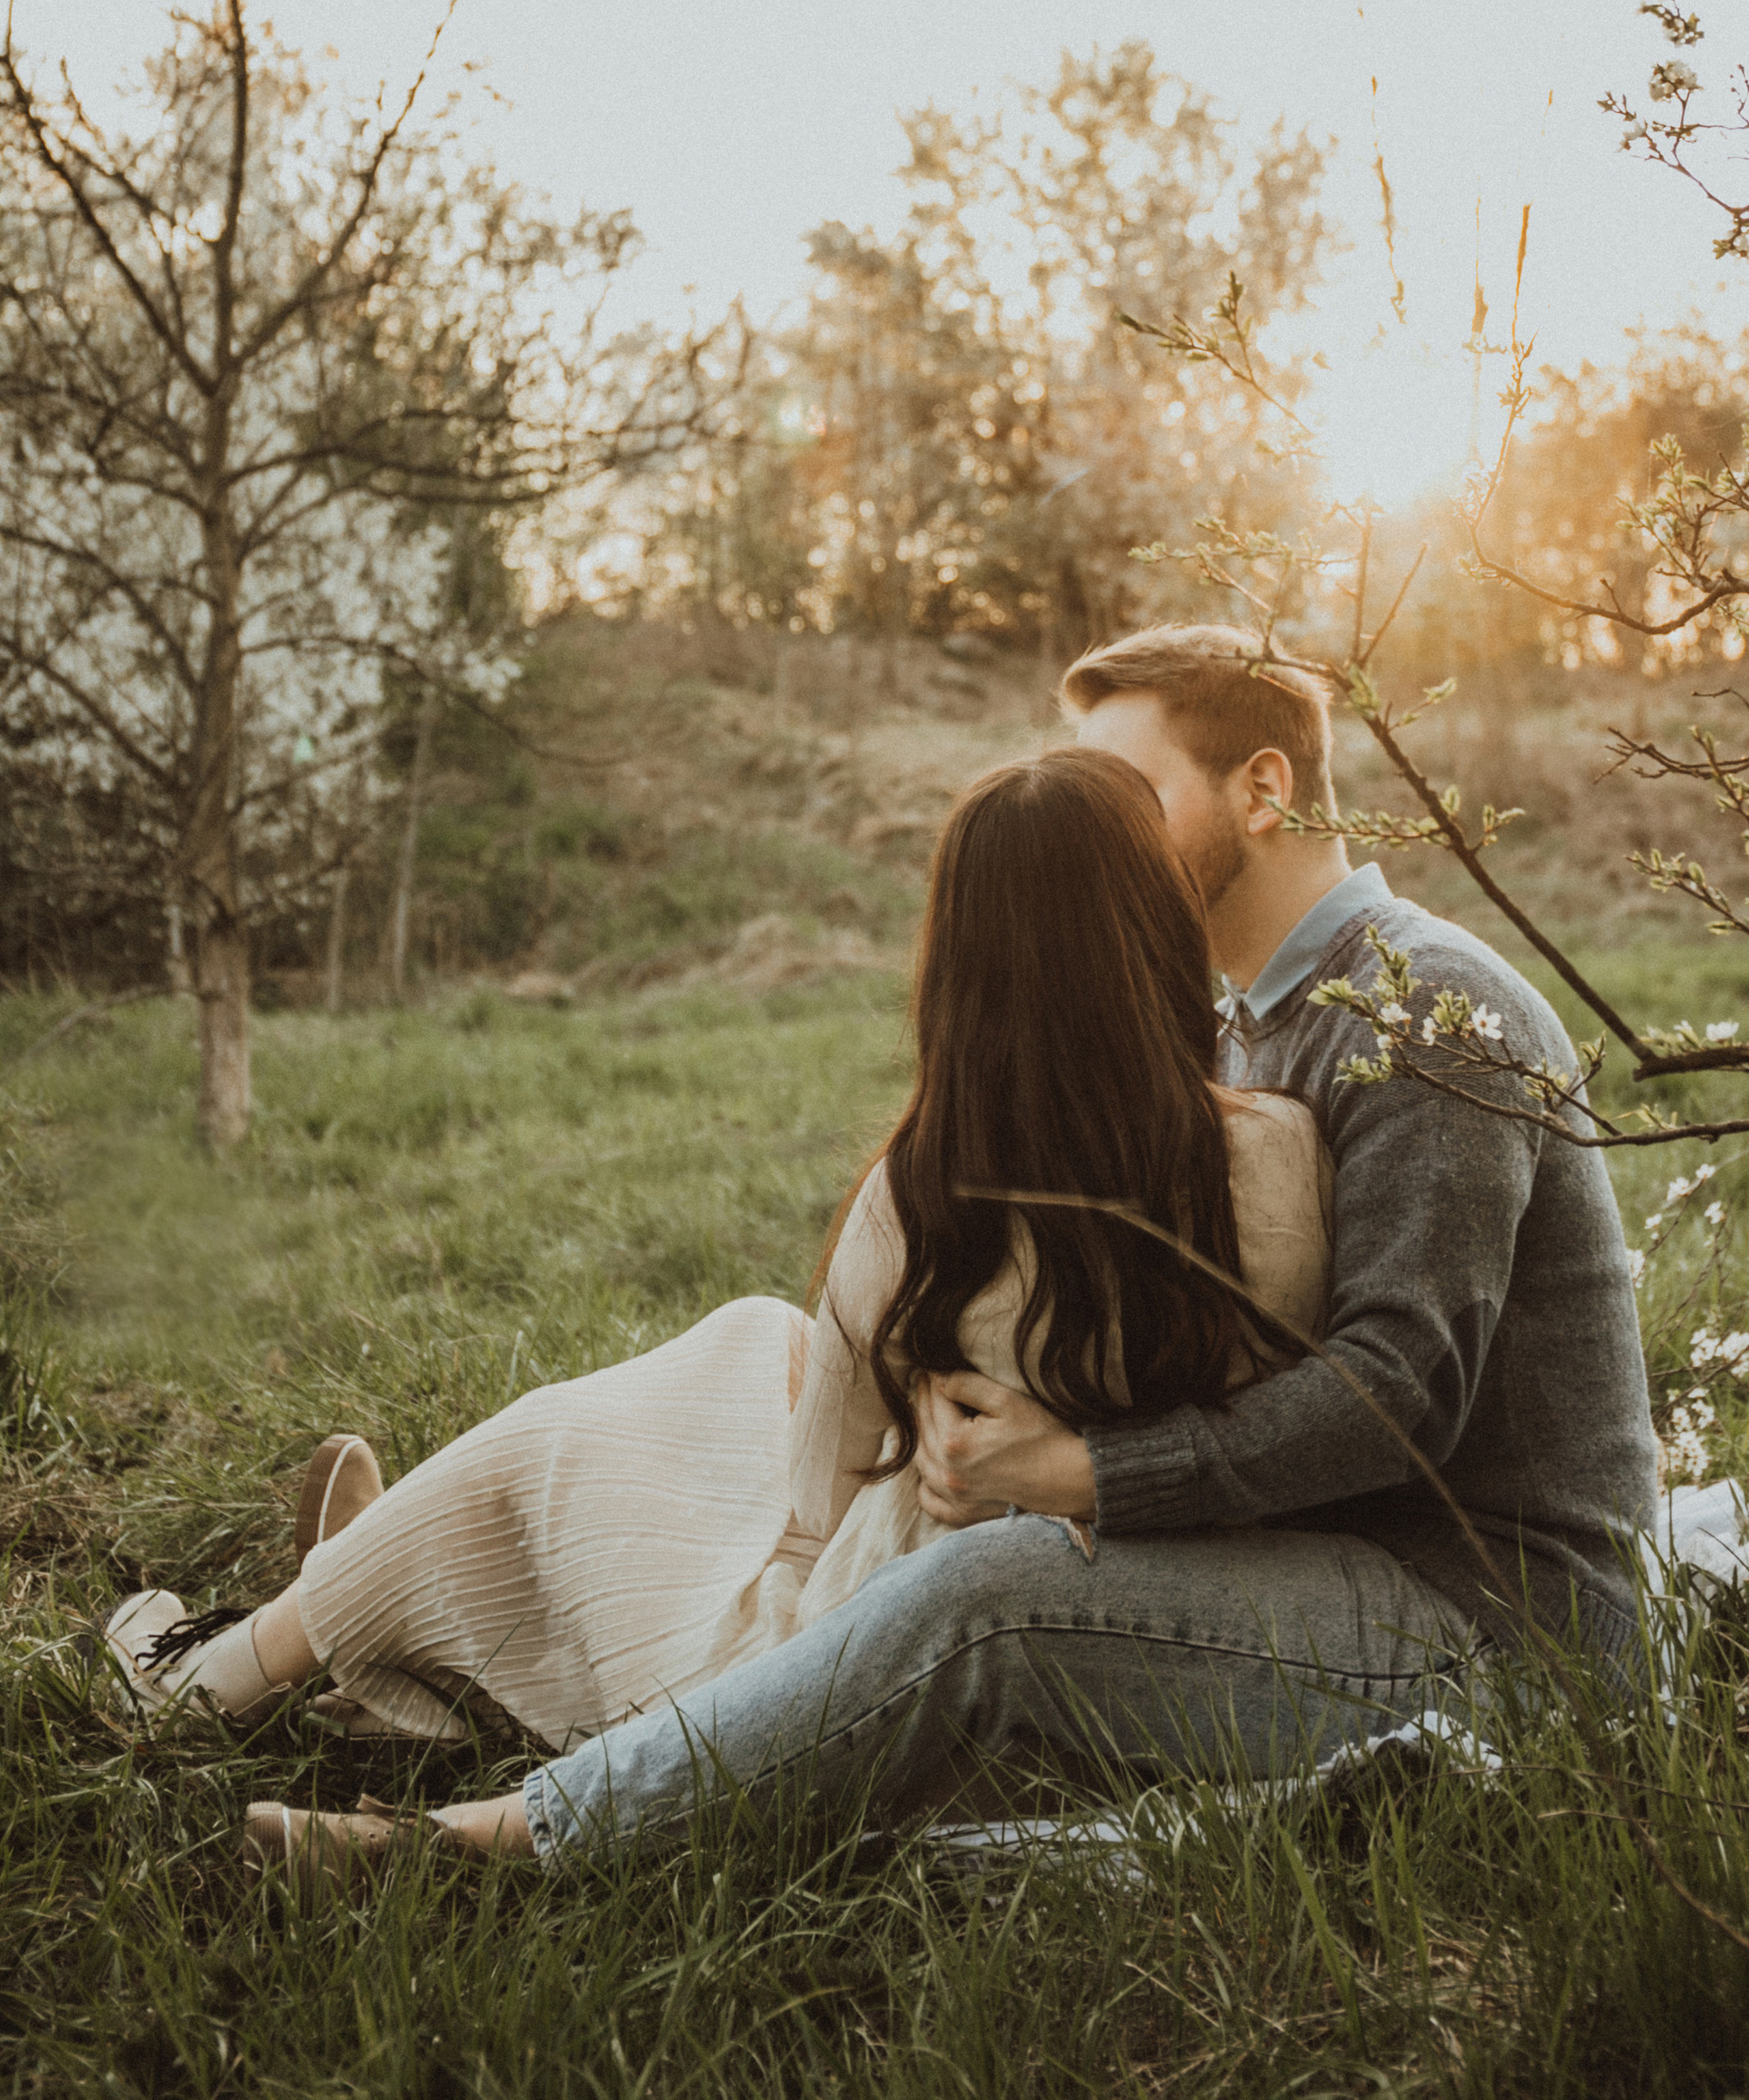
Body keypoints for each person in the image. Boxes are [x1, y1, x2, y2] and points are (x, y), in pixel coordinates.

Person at [236, 624, 1658, 1881]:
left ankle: (494, 1843)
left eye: (1130, 794)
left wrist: (1081, 1469)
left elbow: (1395, 1395)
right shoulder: (1238, 1026)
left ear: (1264, 789)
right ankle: (426, 1592)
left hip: (1485, 1629)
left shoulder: (1431, 1018)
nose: (1094, 831)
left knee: (993, 1590)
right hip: (1306, 1552)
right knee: (773, 1369)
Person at [102, 749, 1333, 1880]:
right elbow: (1263, 1413)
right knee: (759, 1343)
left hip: (832, 1675)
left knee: (571, 1444)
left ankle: (229, 1663)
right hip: (1132, 1660)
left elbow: (816, 1508)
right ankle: (401, 1610)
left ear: (960, 966)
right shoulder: (1273, 1158)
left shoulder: (931, 1192)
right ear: (1155, 930)